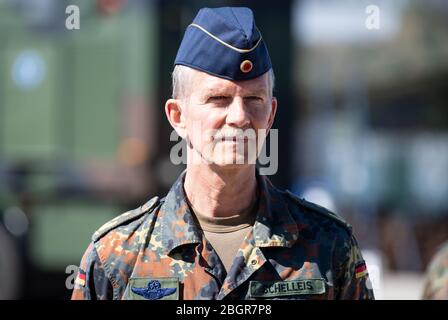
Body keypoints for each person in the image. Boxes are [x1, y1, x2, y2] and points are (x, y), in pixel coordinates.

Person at [71, 6, 374, 300]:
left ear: (270, 115)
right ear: (178, 116)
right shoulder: (116, 257)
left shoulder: (329, 247)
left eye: (254, 98)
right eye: (219, 98)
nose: (239, 117)